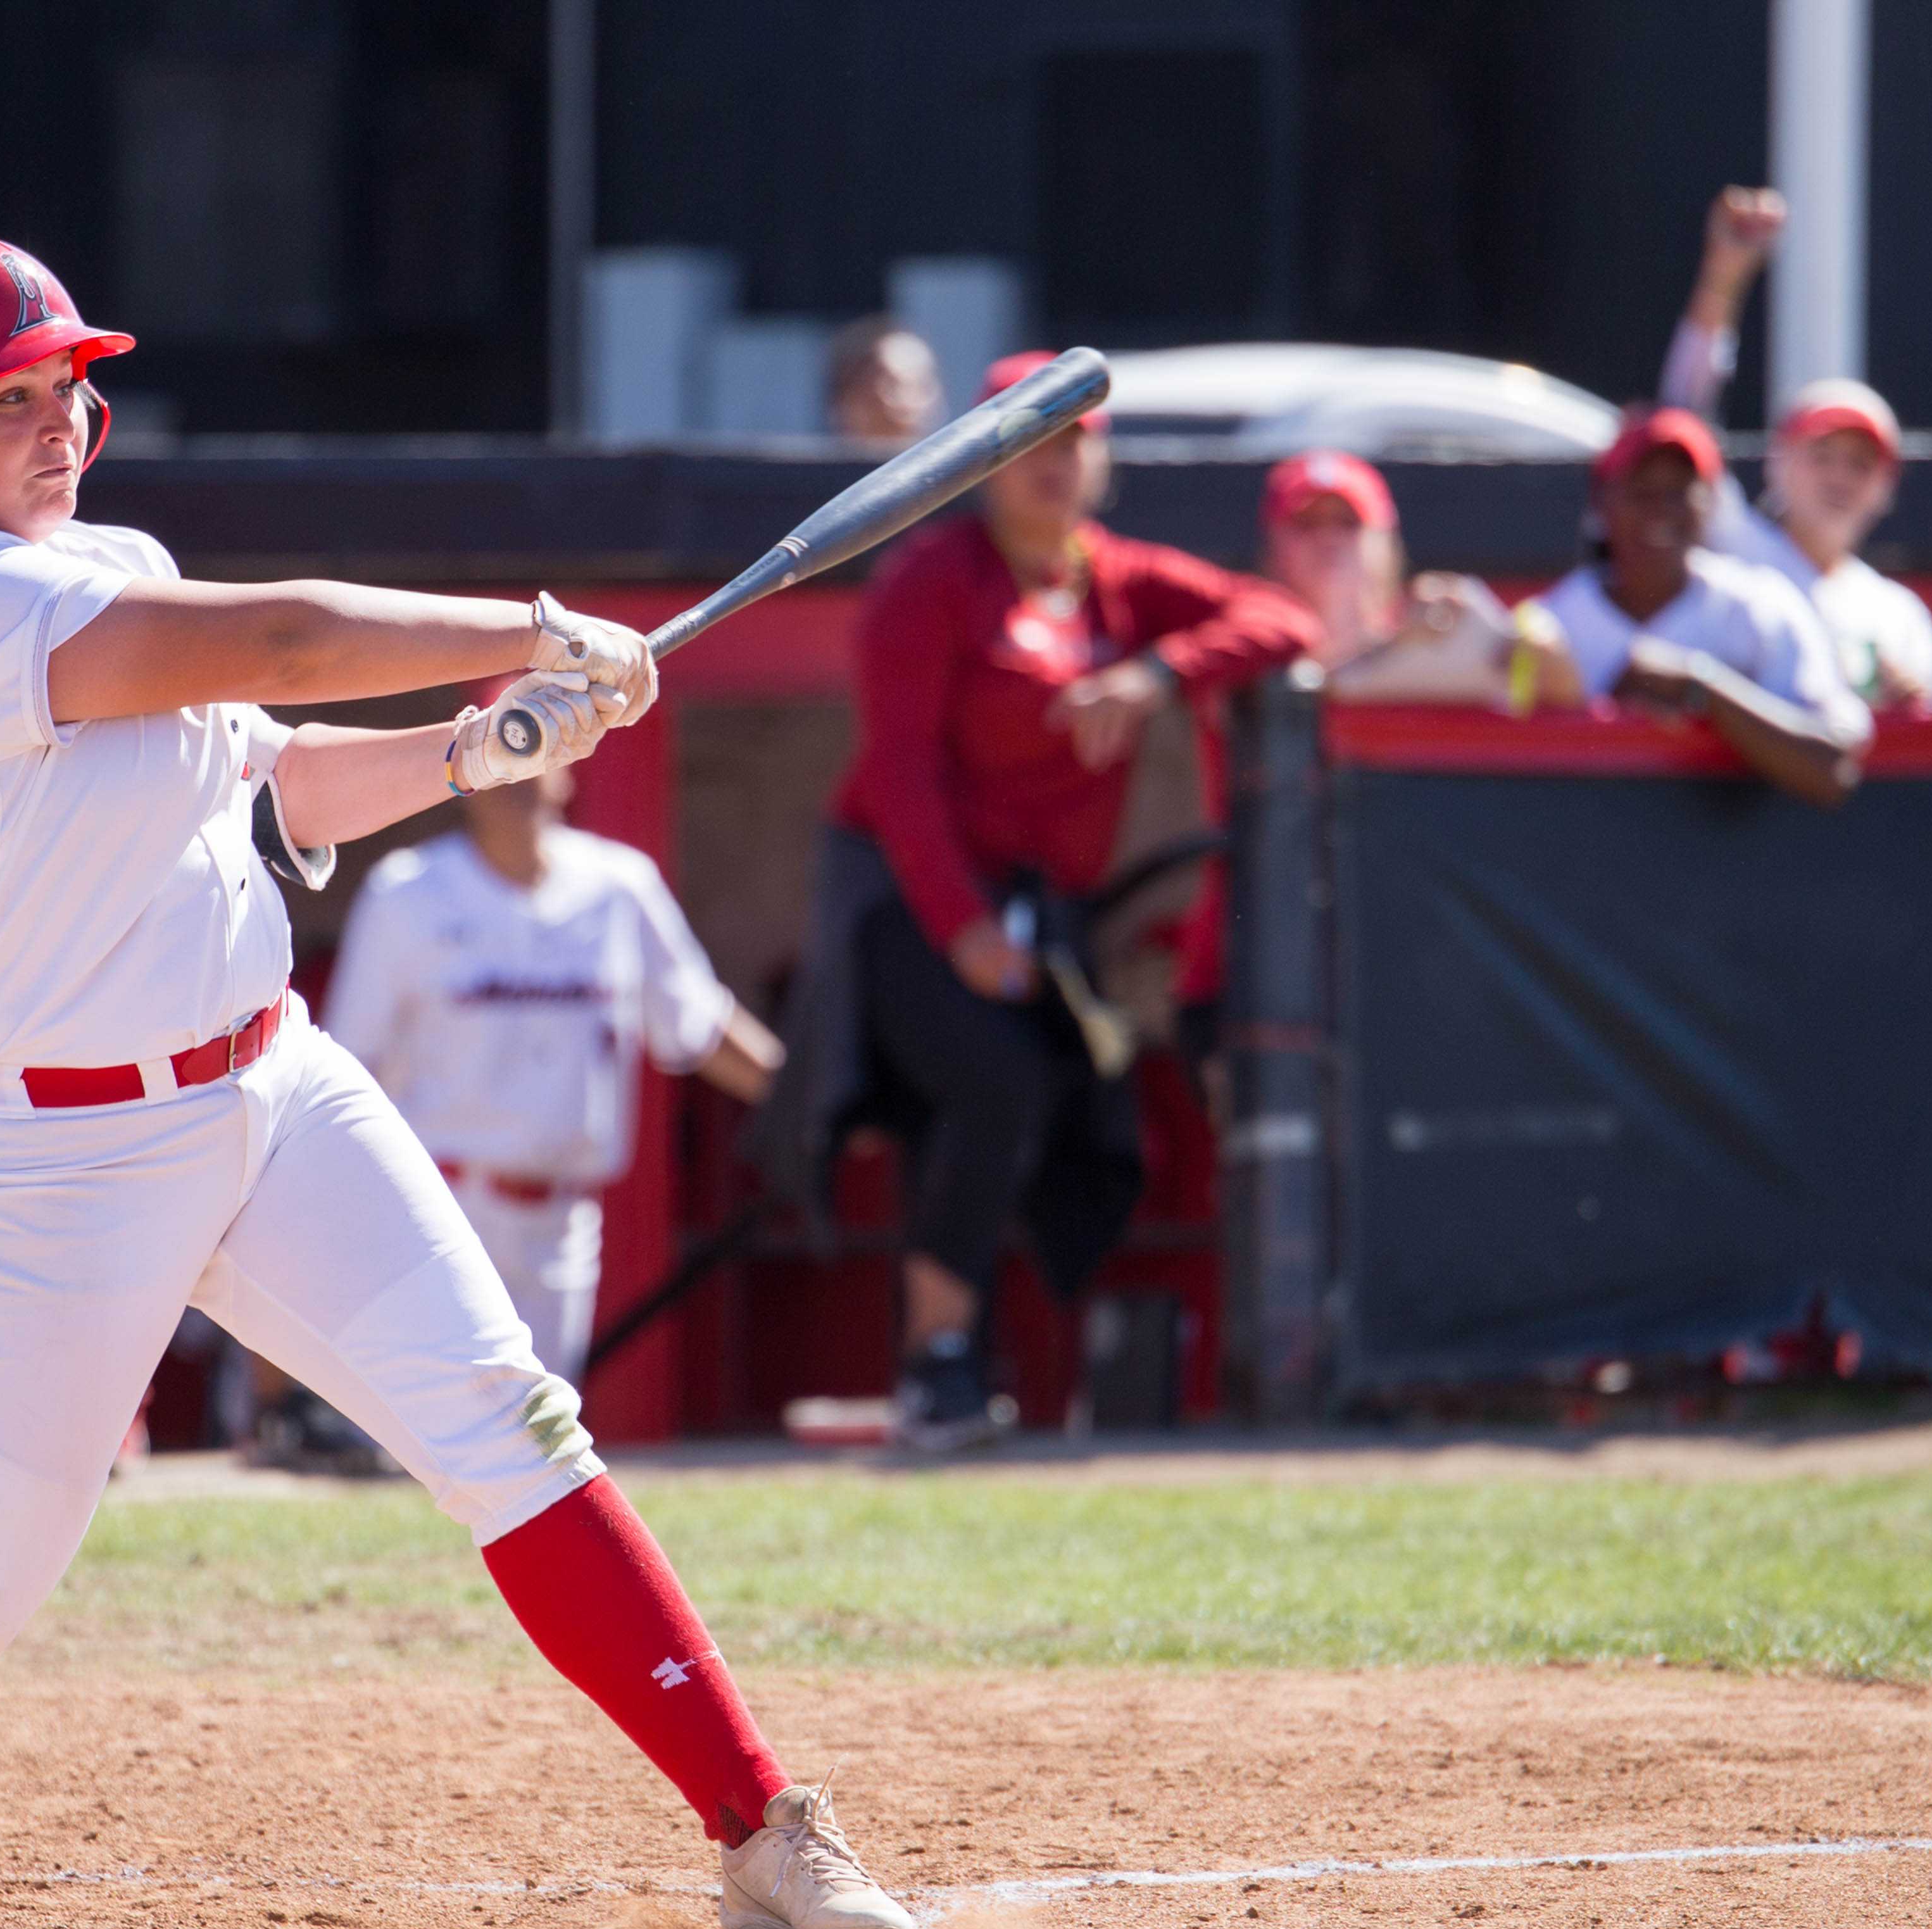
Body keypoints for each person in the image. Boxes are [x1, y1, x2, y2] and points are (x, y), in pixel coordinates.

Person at [0, 234, 915, 1929]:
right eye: (7, 400)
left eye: (66, 386)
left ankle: (760, 1821)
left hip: (267, 1086)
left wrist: (479, 747)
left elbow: (274, 773)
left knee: (512, 1422)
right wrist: (538, 628)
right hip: (46, 1156)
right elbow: (301, 638)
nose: (59, 421)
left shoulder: (104, 565)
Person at [758, 351, 1318, 1454]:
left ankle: (975, 1371)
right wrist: (963, 928)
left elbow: (1282, 622)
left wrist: (1157, 674)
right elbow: (903, 776)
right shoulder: (931, 580)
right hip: (903, 896)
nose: (1054, 467)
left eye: (1075, 441)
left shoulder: (1119, 581)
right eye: (1027, 443)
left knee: (1069, 1106)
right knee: (996, 1076)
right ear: (984, 461)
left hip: (1041, 911)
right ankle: (939, 1360)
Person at [326, 766, 784, 1379]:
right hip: (438, 1209)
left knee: (539, 1442)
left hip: (563, 1217)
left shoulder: (619, 884)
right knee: (422, 1438)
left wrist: (810, 1101)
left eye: (539, 750)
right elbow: (349, 1063)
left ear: (569, 773)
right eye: (504, 751)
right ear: (465, 777)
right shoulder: (406, 890)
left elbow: (698, 1024)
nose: (521, 774)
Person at [1659, 185, 1932, 709]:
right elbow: (1684, 419)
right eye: (1821, 455)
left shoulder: (1899, 614)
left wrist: (1909, 707)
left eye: (1860, 463)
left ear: (1886, 488)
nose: (1839, 477)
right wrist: (1724, 278)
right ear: (1777, 465)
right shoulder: (1734, 549)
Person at [1537, 406, 1868, 805]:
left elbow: (1833, 768)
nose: (1661, 509)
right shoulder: (1553, 623)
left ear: (1709, 506)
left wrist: (1701, 687)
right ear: (1602, 504)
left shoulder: (1759, 606)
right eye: (1642, 491)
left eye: (1680, 492)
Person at [1258, 448, 1583, 705]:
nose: (1329, 537)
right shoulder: (1253, 647)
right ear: (1271, 551)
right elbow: (1292, 693)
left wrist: (1521, 642)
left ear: (1388, 547)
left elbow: (1565, 693)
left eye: (1348, 523)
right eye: (1307, 523)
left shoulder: (1443, 635)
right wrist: (1387, 650)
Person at [825, 317, 945, 446]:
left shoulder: (963, 464)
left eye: (923, 386)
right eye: (893, 386)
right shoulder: (816, 465)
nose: (911, 402)